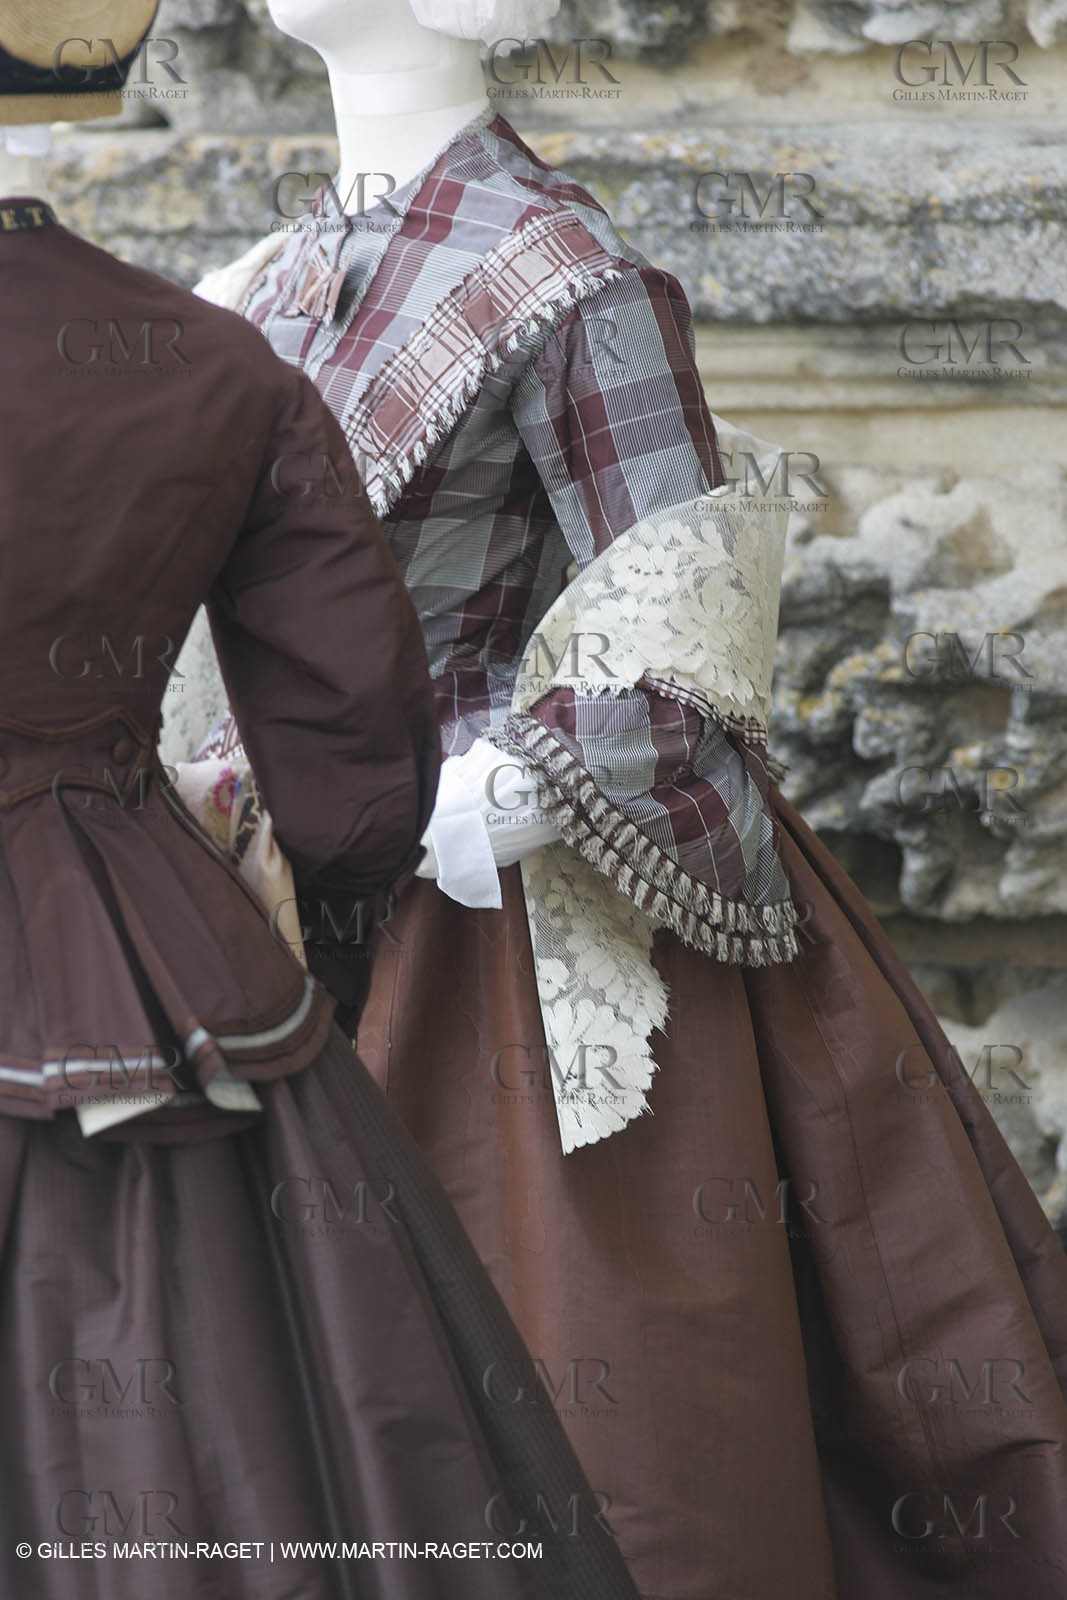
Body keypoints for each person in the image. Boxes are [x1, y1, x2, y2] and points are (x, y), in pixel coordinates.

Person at [167, 1, 1067, 1594]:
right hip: (284, 921)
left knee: (600, 1423)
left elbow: (683, 626)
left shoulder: (574, 274)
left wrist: (494, 788)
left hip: (501, 920)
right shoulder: (262, 281)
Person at [0, 7, 642, 1599]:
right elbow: (352, 749)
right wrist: (324, 937)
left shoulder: (559, 273)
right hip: (143, 979)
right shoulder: (211, 357)